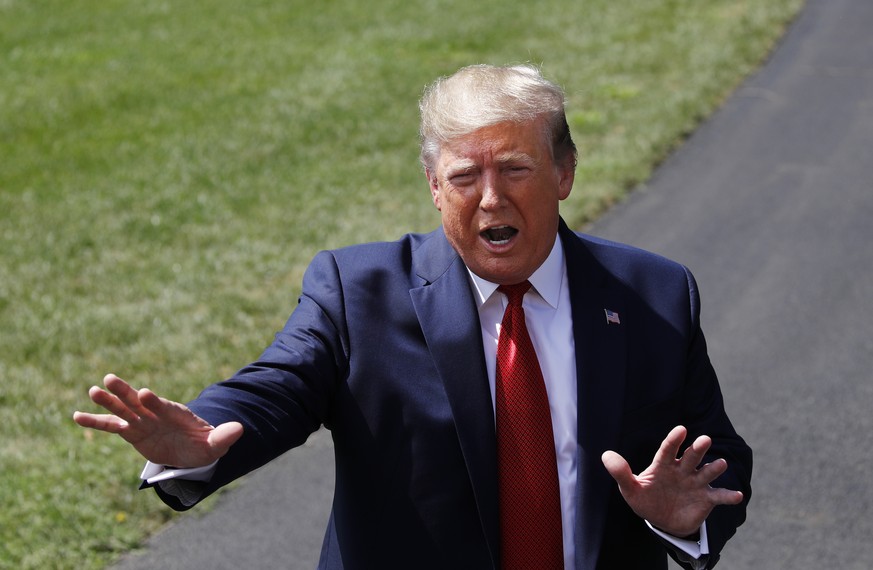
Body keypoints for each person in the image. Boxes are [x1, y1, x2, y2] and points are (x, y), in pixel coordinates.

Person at [74, 64, 752, 570]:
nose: (489, 200)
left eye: (515, 169)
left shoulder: (652, 294)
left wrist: (681, 517)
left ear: (564, 172)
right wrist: (199, 439)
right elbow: (280, 383)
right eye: (463, 177)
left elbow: (711, 463)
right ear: (432, 186)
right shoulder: (359, 291)